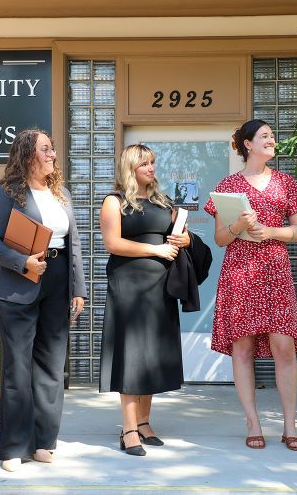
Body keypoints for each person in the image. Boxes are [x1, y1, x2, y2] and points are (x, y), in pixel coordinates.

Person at [0, 128, 87, 472]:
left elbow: (74, 247)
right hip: (19, 283)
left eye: (52, 149)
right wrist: (21, 261)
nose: (53, 154)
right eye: (46, 149)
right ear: (28, 155)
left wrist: (78, 288)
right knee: (18, 368)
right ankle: (13, 447)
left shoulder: (62, 195)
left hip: (56, 283)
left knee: (52, 368)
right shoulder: (9, 192)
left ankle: (44, 443)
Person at [203, 119, 297, 451]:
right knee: (243, 348)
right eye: (265, 136)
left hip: (275, 273)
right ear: (247, 144)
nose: (271, 140)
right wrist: (238, 224)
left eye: (272, 136)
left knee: (284, 347)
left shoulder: (286, 183)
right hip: (240, 273)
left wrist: (272, 232)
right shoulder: (229, 186)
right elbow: (220, 239)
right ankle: (253, 423)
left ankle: (290, 426)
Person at [99, 143, 190, 456]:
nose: (151, 168)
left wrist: (183, 238)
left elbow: (183, 237)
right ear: (130, 169)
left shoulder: (162, 201)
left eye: (152, 163)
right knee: (131, 356)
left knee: (151, 355)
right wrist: (156, 250)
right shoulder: (114, 201)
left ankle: (145, 422)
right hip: (128, 286)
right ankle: (128, 430)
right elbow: (113, 243)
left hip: (160, 286)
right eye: (145, 164)